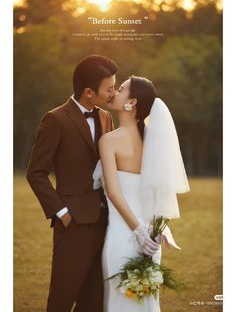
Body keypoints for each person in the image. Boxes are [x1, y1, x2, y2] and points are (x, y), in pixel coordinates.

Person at [26, 55, 118, 312]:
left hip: (107, 222)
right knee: (63, 296)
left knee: (95, 298)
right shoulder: (55, 120)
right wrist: (62, 213)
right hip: (73, 224)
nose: (113, 93)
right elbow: (36, 173)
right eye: (109, 88)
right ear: (89, 92)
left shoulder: (107, 118)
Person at [93, 76, 190, 311]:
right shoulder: (153, 141)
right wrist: (152, 232)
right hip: (150, 241)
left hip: (124, 236)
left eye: (122, 88)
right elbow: (159, 191)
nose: (115, 91)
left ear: (132, 102)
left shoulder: (109, 141)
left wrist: (137, 232)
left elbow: (114, 193)